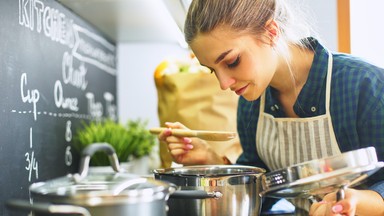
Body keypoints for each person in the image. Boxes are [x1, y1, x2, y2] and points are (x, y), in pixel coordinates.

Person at [157, 0, 384, 215]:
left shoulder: (364, 85)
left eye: (232, 61)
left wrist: (358, 203)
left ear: (271, 32)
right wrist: (210, 160)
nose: (224, 83)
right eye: (212, 70)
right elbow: (263, 192)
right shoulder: (253, 105)